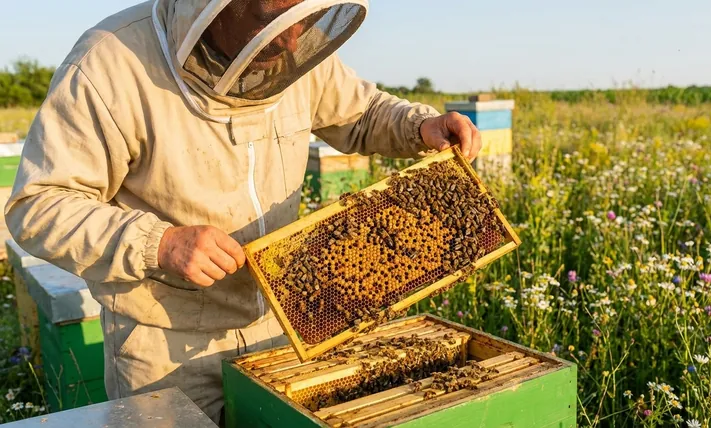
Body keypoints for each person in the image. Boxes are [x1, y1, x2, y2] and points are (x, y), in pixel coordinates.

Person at [4, 0, 482, 424]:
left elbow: (362, 112)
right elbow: (39, 206)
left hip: (284, 323)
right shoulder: (109, 63)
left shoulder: (295, 47)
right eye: (270, 17)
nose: (291, 38)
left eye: (303, 18)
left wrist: (421, 126)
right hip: (163, 344)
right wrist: (159, 243)